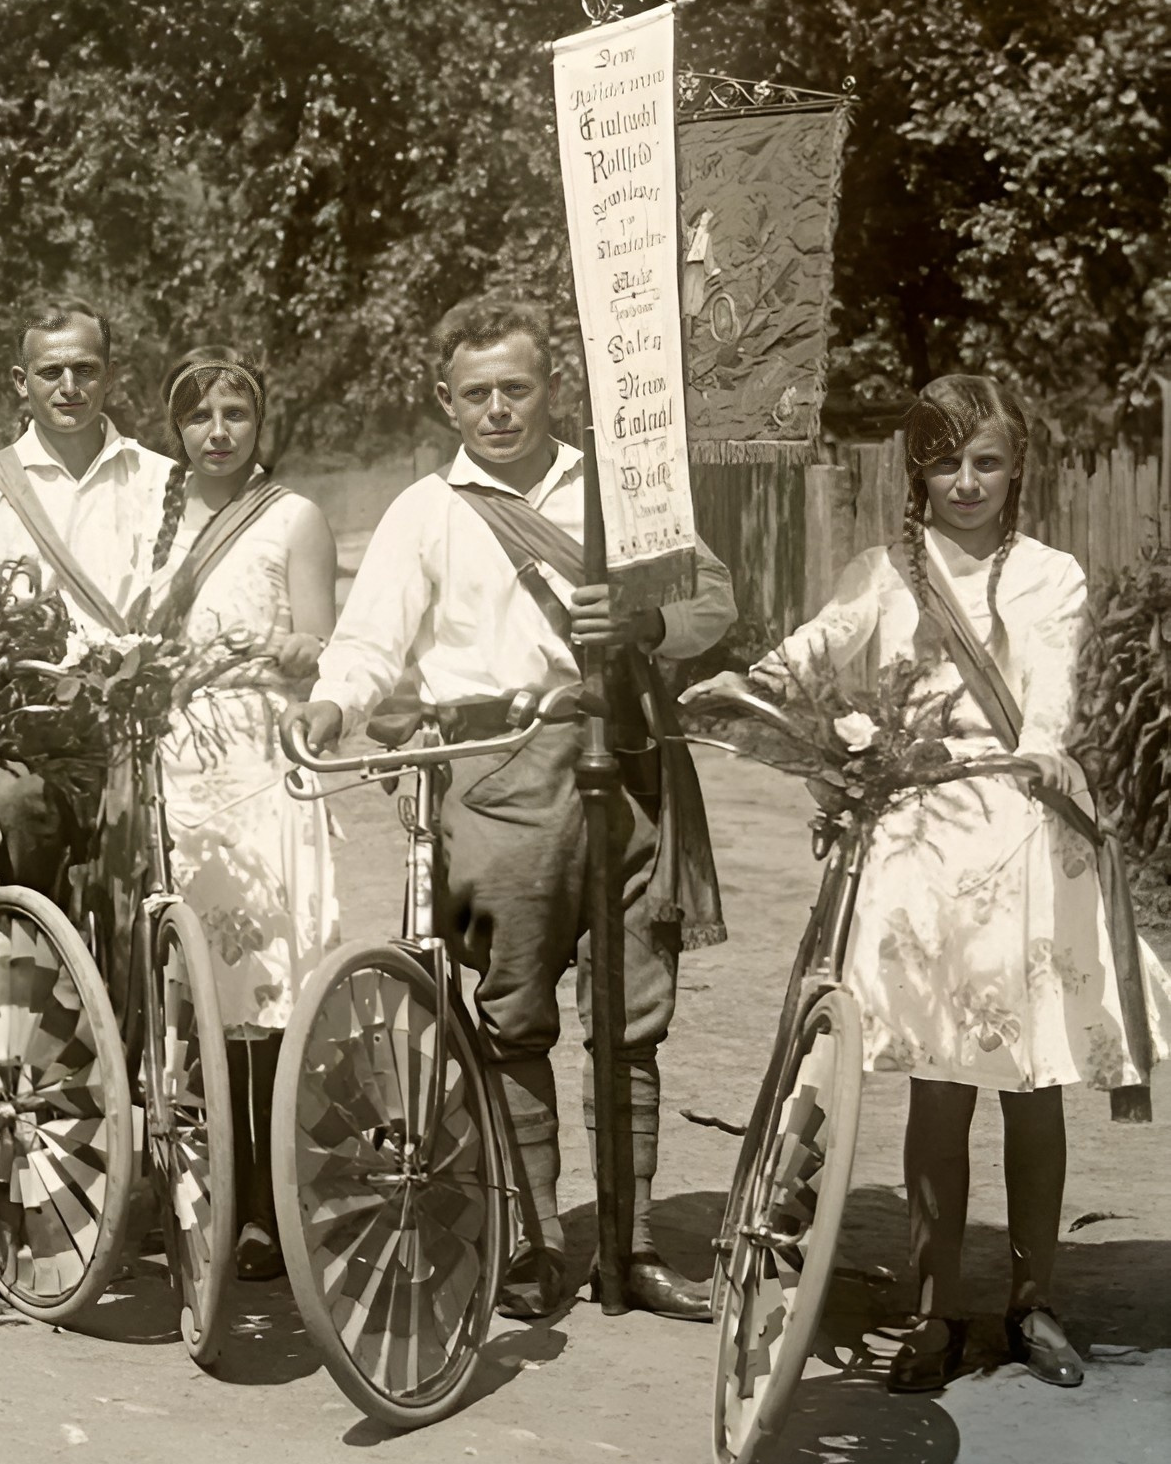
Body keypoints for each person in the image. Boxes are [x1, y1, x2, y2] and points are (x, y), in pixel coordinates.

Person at [714, 377, 1165, 1392]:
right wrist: (753, 685)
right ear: (913, 467)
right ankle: (928, 1306)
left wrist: (1043, 745)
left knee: (1031, 1073)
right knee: (939, 1072)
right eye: (943, 459)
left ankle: (1032, 1296)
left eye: (986, 461)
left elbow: (1048, 674)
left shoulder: (1049, 574)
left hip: (1018, 820)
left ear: (1017, 469)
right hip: (921, 833)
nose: (965, 482)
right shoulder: (882, 572)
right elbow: (816, 648)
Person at [291, 299, 732, 1321]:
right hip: (496, 777)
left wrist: (643, 617)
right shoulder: (426, 511)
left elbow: (715, 598)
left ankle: (629, 1247)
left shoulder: (619, 492)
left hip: (622, 759)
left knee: (631, 1021)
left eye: (516, 387)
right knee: (513, 1016)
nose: (497, 409)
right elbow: (365, 644)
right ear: (445, 399)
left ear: (552, 388)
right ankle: (534, 1240)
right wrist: (332, 703)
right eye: (476, 392)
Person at [144, 346, 341, 1281]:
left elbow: (321, 648)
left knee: (259, 989)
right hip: (170, 762)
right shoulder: (153, 515)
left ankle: (264, 1207)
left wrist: (258, 645)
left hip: (256, 761)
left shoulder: (292, 517)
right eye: (199, 415)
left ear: (261, 424)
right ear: (173, 425)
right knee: (181, 985)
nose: (217, 432)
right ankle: (188, 1186)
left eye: (235, 414)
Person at [0, 299, 176, 896]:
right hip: (30, 725)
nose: (70, 387)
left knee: (159, 861)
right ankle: (42, 963)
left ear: (110, 374)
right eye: (50, 372)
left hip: (139, 720)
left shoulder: (160, 478)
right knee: (23, 829)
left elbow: (171, 595)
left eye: (86, 370)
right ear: (21, 383)